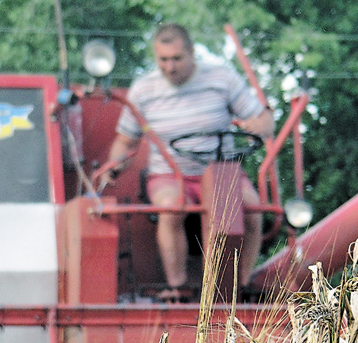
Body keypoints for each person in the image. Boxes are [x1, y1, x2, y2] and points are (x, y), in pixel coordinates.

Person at [103, 23, 274, 301]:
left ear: (192, 53)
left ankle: (241, 284)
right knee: (172, 208)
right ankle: (178, 287)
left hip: (221, 171)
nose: (170, 67)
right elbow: (125, 142)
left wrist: (258, 125)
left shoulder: (222, 78)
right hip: (170, 174)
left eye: (177, 59)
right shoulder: (144, 90)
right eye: (163, 60)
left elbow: (265, 119)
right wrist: (115, 164)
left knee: (252, 207)